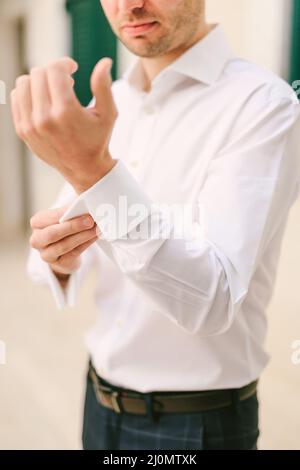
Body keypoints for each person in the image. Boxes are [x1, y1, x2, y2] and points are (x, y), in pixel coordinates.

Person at [11, 0, 300, 450]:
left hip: (198, 425)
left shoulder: (263, 104)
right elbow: (51, 258)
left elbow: (213, 300)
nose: (129, 5)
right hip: (98, 400)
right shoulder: (113, 101)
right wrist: (58, 258)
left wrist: (95, 172)